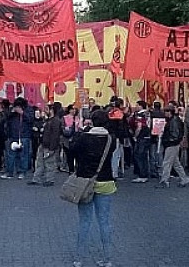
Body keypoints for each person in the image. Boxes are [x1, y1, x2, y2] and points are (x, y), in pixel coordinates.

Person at [70, 110, 116, 267]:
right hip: (105, 182)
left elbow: (72, 151)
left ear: (91, 121)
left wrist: (83, 130)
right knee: (104, 221)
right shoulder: (111, 139)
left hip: (85, 183)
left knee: (84, 221)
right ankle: (107, 258)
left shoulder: (84, 137)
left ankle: (78, 259)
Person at [29, 103, 62, 186]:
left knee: (49, 163)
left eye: (47, 109)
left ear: (52, 110)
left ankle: (49, 180)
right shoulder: (48, 120)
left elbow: (55, 135)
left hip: (49, 145)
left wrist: (52, 148)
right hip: (43, 143)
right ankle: (36, 179)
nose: (45, 111)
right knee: (39, 162)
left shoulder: (55, 121)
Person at [158, 106, 189, 188]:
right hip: (174, 144)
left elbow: (174, 134)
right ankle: (184, 179)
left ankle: (164, 181)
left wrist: (167, 140)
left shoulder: (173, 121)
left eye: (166, 111)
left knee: (167, 162)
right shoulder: (175, 120)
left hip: (171, 144)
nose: (164, 113)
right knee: (176, 163)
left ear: (169, 112)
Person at [2, 97, 33, 179]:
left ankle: (22, 172)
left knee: (23, 155)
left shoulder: (28, 110)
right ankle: (9, 171)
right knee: (10, 155)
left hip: (24, 136)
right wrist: (12, 112)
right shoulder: (12, 111)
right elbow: (5, 119)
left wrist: (22, 113)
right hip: (12, 136)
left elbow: (31, 120)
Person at [132, 100, 154, 183]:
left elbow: (139, 127)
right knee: (145, 156)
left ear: (141, 106)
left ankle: (142, 175)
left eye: (137, 105)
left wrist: (135, 135)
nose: (136, 107)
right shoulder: (148, 114)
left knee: (139, 155)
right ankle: (145, 173)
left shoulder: (139, 115)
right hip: (148, 136)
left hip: (141, 137)